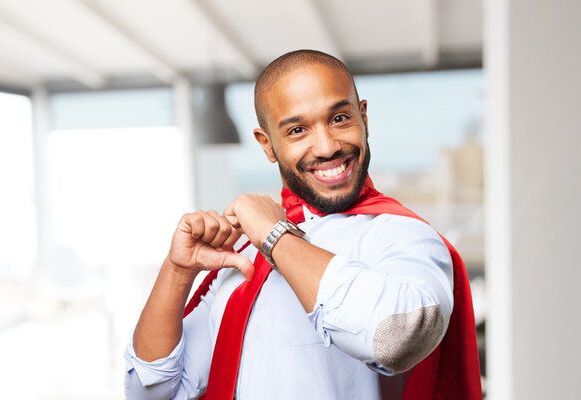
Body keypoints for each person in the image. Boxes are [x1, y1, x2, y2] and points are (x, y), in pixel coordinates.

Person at [124, 50, 481, 400]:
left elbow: (398, 337)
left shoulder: (405, 236)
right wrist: (178, 270)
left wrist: (274, 235)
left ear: (364, 117)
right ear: (267, 145)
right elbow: (150, 392)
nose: (326, 147)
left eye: (340, 119)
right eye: (297, 130)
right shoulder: (244, 257)